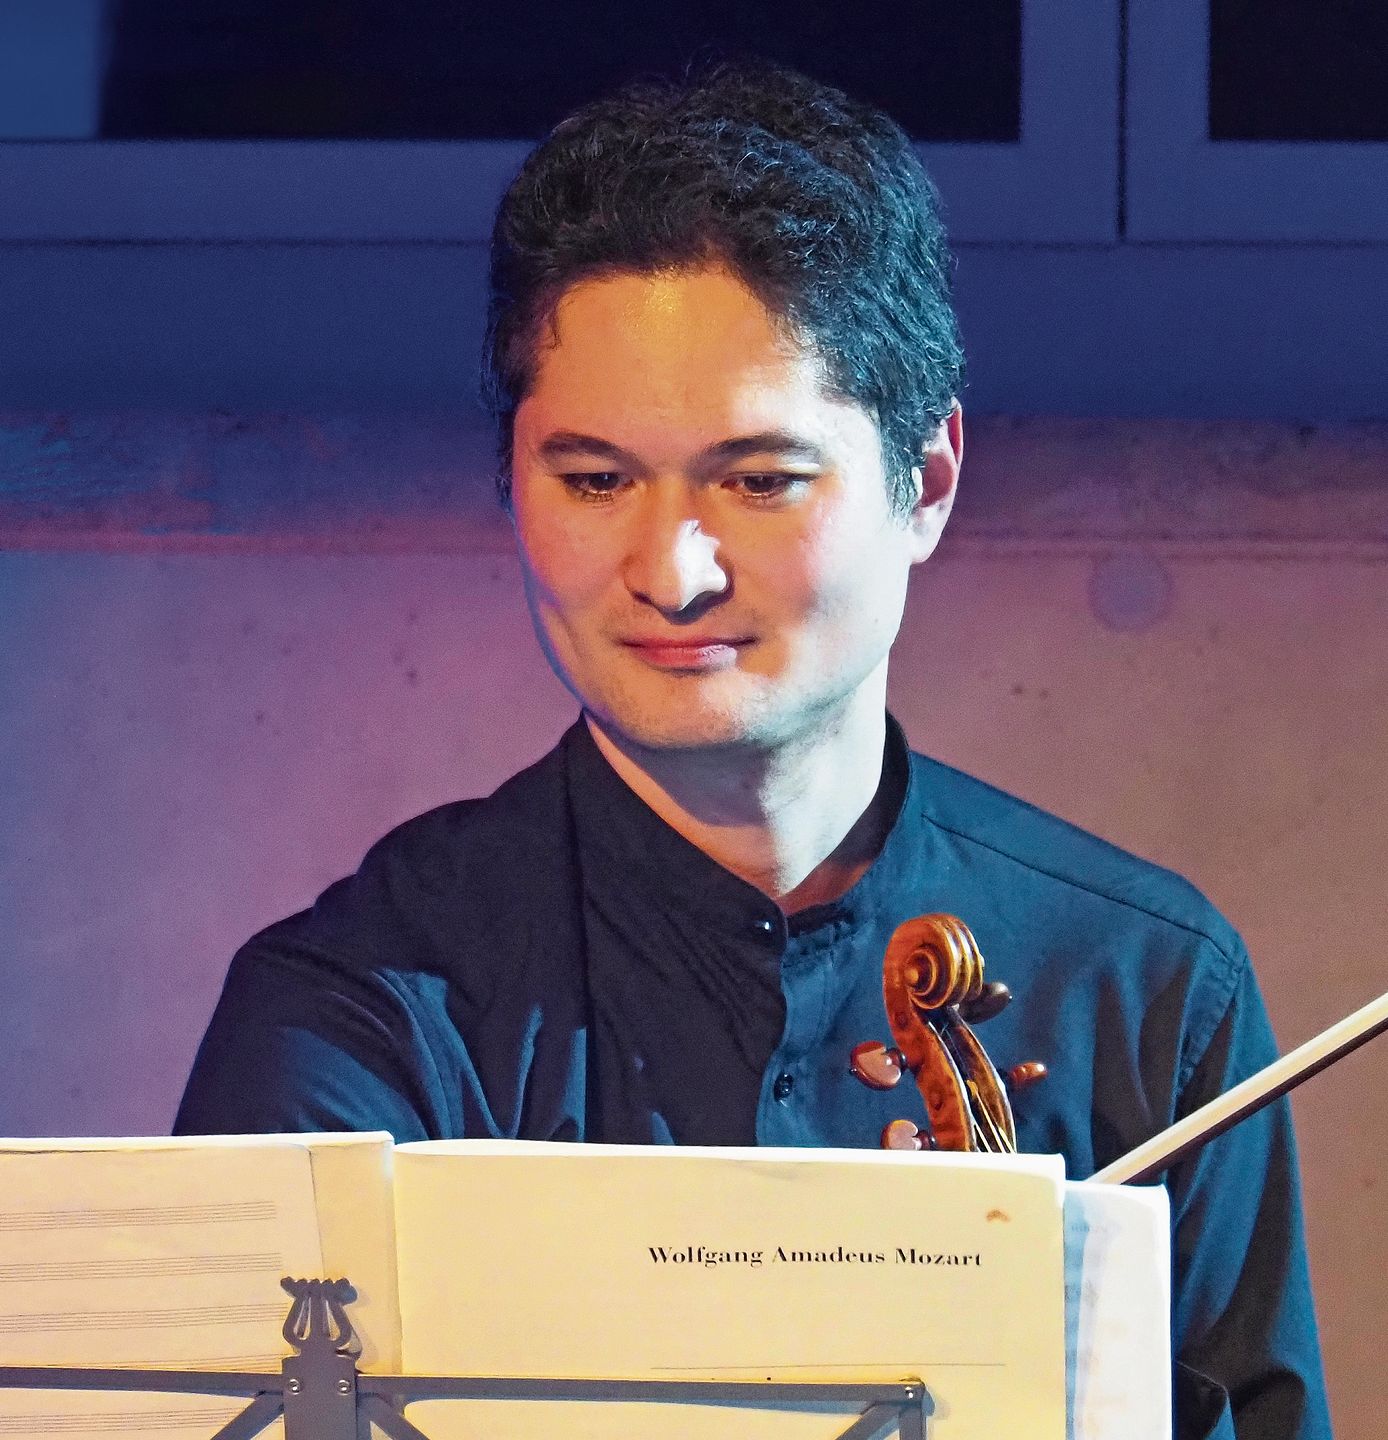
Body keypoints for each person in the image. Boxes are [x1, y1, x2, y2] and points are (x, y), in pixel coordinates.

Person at [176, 59, 1330, 1439]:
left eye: (760, 479)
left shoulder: (1146, 987)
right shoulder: (356, 1018)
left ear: (929, 483)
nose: (670, 572)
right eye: (594, 479)